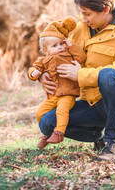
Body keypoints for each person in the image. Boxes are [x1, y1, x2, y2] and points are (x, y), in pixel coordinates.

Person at [38, 0, 115, 162]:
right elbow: (64, 57)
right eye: (82, 13)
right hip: (92, 101)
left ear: (105, 9)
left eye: (87, 13)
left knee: (109, 74)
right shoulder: (81, 29)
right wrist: (44, 74)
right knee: (47, 123)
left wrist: (80, 75)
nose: (83, 19)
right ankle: (99, 136)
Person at [28, 16, 86, 148]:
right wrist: (35, 74)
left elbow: (82, 56)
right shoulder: (43, 61)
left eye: (61, 44)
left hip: (67, 94)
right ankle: (47, 134)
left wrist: (71, 46)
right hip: (52, 95)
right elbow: (33, 69)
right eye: (55, 46)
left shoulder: (69, 54)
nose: (60, 47)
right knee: (40, 113)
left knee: (62, 110)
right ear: (45, 50)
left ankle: (59, 133)